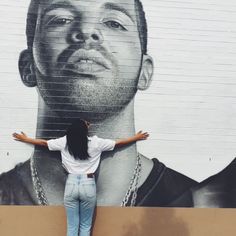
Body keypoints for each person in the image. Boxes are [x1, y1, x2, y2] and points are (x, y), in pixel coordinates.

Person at [0, 0, 198, 206]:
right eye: (62, 19)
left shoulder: (200, 208)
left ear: (144, 72)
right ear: (28, 67)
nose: (87, 31)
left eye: (114, 23)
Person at [13, 118, 149, 236]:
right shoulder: (95, 142)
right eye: (87, 125)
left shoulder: (65, 142)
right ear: (85, 130)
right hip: (88, 184)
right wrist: (135, 137)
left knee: (72, 227)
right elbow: (117, 143)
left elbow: (44, 144)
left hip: (71, 184)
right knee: (85, 227)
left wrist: (26, 139)